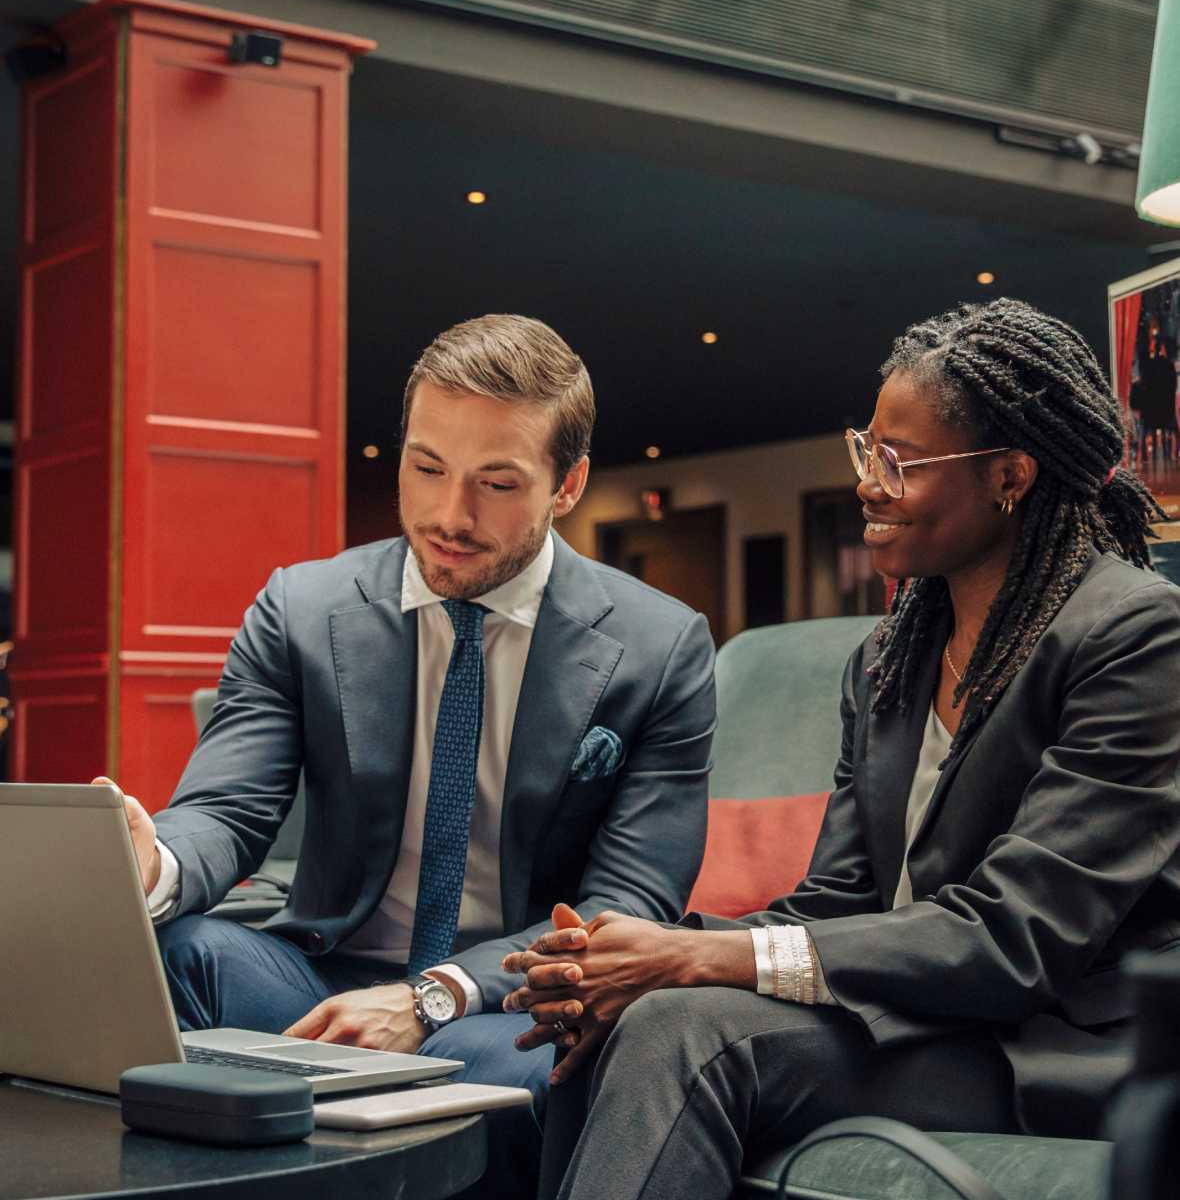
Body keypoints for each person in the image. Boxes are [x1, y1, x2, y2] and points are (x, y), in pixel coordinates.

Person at [504, 298, 1180, 1200]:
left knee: (681, 1028)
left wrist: (701, 962)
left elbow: (1017, 939)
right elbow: (841, 896)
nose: (868, 482)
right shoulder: (890, 659)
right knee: (623, 1012)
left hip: (1051, 1046)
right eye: (867, 450)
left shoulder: (1137, 638)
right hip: (910, 1017)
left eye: (899, 461)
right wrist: (646, 950)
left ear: (1010, 475)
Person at [96, 314, 715, 1200]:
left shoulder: (660, 647)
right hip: (327, 974)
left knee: (488, 1067)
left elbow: (625, 907)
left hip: (511, 996)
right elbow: (226, 813)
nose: (448, 516)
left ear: (567, 484)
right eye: (426, 468)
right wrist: (151, 858)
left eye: (496, 484)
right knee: (183, 952)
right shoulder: (301, 610)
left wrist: (435, 996)